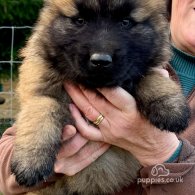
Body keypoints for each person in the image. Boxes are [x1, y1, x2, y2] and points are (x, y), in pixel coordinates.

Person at [0, 0, 195, 194]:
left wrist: (164, 152)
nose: (101, 50)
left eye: (125, 23)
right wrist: (51, 161)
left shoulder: (146, 68)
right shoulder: (53, 71)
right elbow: (9, 169)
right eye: (80, 21)